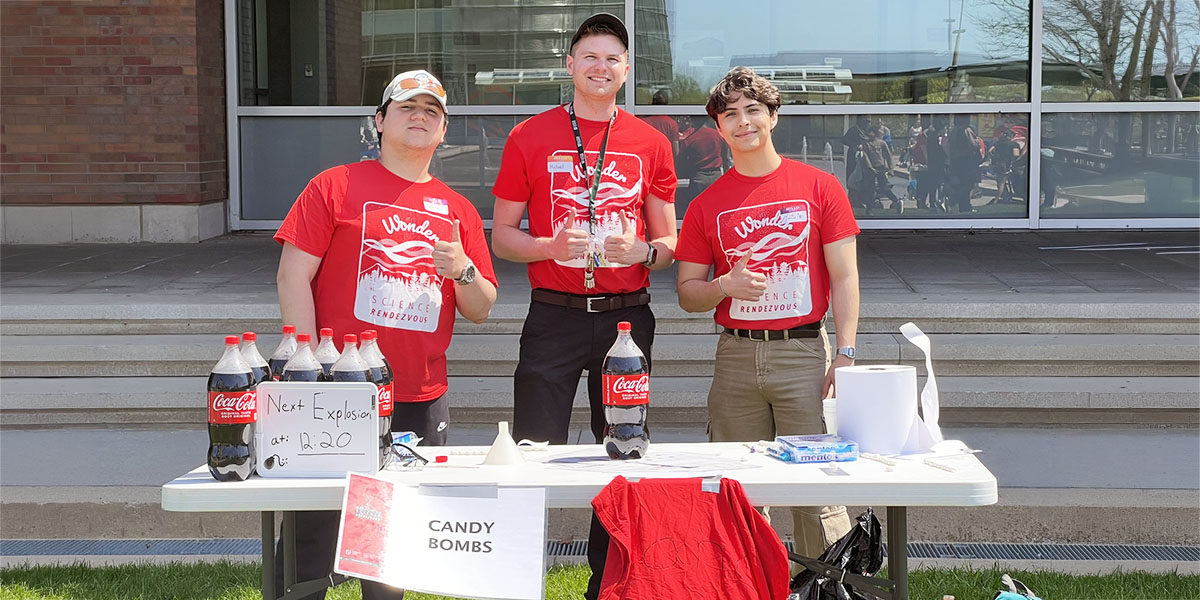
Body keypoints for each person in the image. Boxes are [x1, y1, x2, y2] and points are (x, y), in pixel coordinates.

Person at [274, 69, 498, 600]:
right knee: (313, 534)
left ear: (443, 132)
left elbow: (482, 307)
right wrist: (306, 368)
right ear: (379, 121)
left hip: (417, 395)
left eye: (433, 112)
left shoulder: (459, 208)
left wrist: (463, 269)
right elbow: (292, 276)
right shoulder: (334, 185)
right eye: (406, 107)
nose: (421, 117)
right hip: (335, 389)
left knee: (393, 539)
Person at [489, 13, 677, 600]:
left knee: (622, 450)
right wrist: (547, 246)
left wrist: (643, 250)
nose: (600, 67)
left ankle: (610, 584)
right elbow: (501, 237)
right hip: (553, 315)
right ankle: (518, 580)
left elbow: (669, 246)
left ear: (626, 71)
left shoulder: (651, 142)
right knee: (532, 450)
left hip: (627, 318)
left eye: (612, 59)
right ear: (569, 65)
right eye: (589, 56)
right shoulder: (529, 135)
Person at [674, 66, 859, 561]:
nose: (743, 122)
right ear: (718, 127)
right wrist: (724, 285)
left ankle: (826, 588)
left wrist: (845, 352)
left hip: (804, 354)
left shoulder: (819, 186)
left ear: (772, 117)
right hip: (735, 357)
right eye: (730, 114)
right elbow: (688, 293)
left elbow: (844, 276)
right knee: (739, 493)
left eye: (752, 110)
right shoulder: (705, 205)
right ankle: (746, 585)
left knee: (816, 492)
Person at [677, 115, 726, 213]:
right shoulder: (718, 135)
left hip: (699, 178)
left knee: (698, 211)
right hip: (717, 176)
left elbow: (682, 162)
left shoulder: (690, 139)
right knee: (717, 210)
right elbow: (726, 156)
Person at [642, 89, 680, 157]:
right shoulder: (672, 124)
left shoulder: (643, 122)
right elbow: (675, 151)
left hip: (647, 159)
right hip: (664, 160)